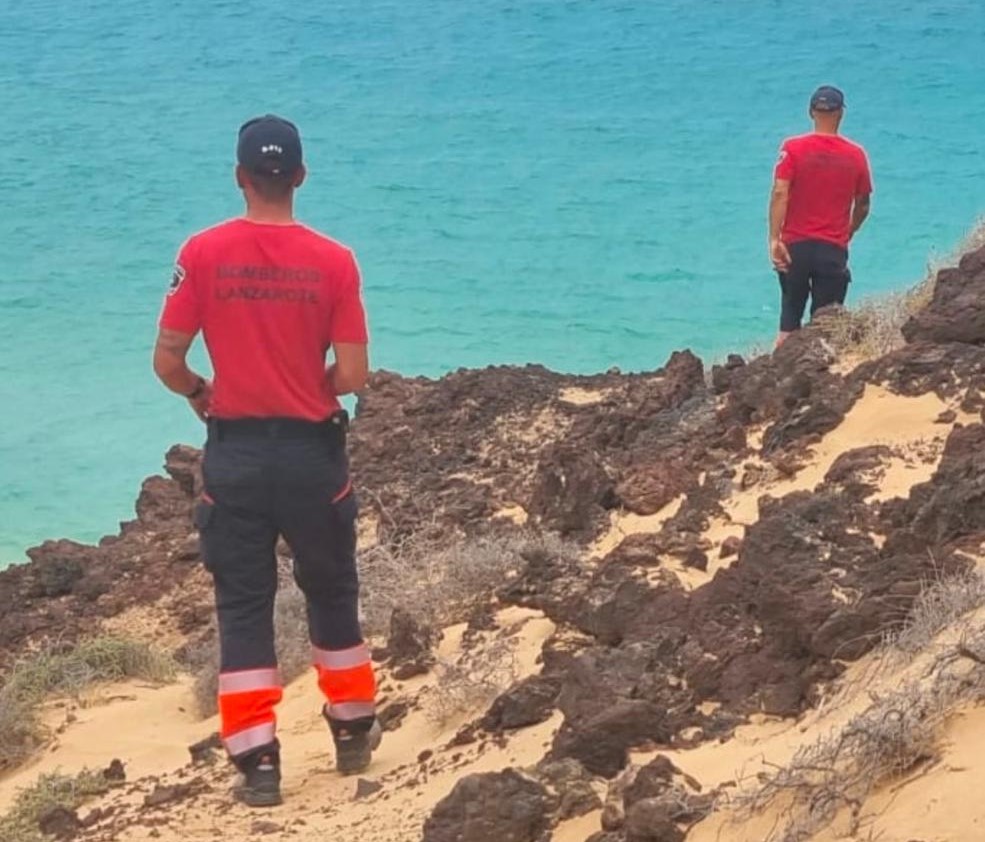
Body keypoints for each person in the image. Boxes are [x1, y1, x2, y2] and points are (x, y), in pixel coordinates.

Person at [152, 115, 380, 808]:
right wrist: (310, 378)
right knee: (332, 589)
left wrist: (200, 391)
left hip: (238, 456)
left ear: (240, 177)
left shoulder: (203, 251)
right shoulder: (335, 260)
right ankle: (352, 730)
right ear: (301, 177)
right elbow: (354, 373)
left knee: (243, 605)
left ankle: (257, 763)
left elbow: (167, 360)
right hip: (312, 455)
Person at [768, 85, 873, 347]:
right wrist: (849, 231)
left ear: (811, 112)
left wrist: (774, 239)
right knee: (825, 330)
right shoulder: (856, 154)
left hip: (795, 247)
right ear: (841, 114)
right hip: (832, 248)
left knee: (789, 323)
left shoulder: (792, 148)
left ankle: (775, 377)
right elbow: (863, 204)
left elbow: (780, 192)